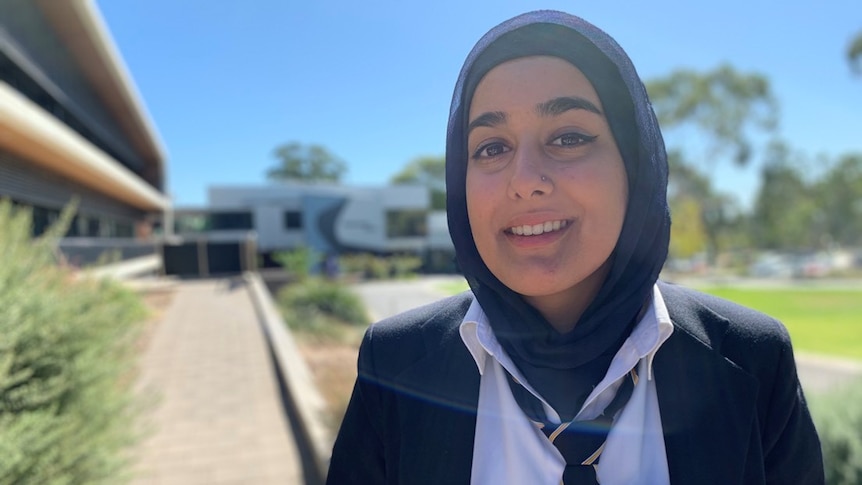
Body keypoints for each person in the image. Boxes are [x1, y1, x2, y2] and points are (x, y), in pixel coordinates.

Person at [326, 10, 824, 485]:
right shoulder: (392, 362)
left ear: (635, 164)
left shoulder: (752, 357)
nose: (525, 182)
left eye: (568, 137)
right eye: (492, 148)